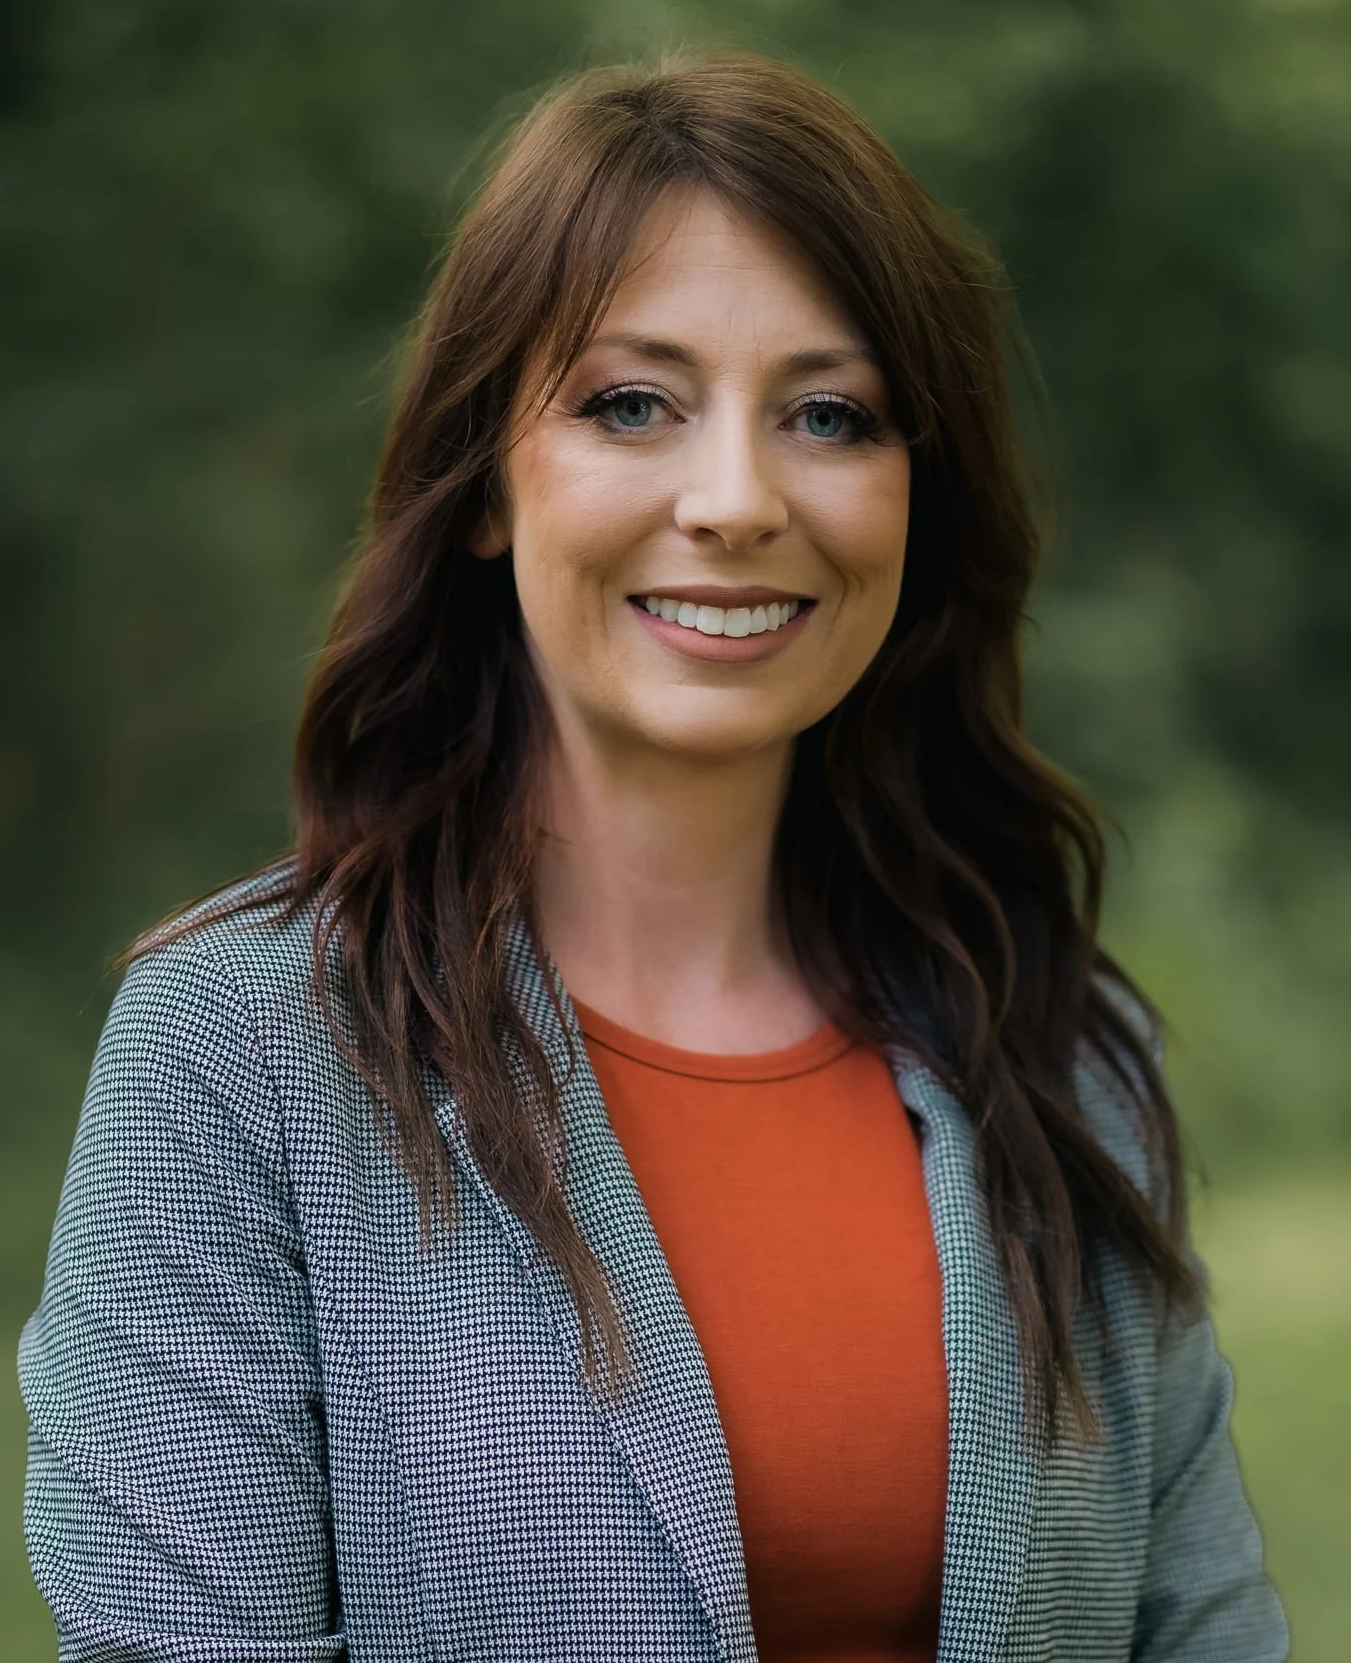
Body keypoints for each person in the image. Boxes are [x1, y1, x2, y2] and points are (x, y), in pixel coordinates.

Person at [19, 50, 1287, 1663]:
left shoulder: (1060, 1051)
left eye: (829, 415)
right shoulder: (237, 1055)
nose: (736, 497)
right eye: (633, 403)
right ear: (483, 482)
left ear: (917, 497)